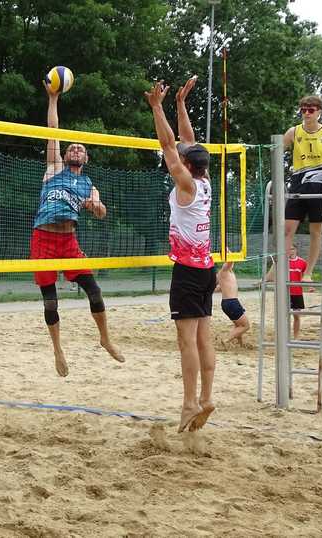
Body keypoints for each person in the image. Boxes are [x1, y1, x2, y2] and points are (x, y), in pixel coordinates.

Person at [30, 81, 124, 377]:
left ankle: (105, 338)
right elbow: (53, 132)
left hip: (68, 241)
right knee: (50, 300)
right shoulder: (54, 169)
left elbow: (101, 210)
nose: (75, 149)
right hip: (43, 238)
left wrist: (96, 207)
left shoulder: (87, 184)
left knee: (94, 291)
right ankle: (58, 350)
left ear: (86, 159)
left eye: (80, 149)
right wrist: (53, 99)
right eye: (72, 147)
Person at [145, 76, 216, 433]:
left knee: (186, 340)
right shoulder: (204, 180)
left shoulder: (186, 183)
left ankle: (190, 404)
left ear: (188, 166)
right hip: (206, 270)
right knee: (204, 337)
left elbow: (170, 142)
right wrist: (180, 105)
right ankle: (205, 397)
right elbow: (186, 142)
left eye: (182, 159)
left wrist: (157, 107)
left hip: (188, 272)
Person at [284, 95, 322, 283]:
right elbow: (276, 150)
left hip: (319, 183)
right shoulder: (293, 131)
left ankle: (308, 272)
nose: (307, 113)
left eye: (311, 110)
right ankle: (282, 269)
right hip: (298, 182)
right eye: (303, 109)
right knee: (286, 229)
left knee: (315, 231)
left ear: (319, 111)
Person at [265, 245, 307, 340]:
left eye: (292, 249)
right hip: (284, 293)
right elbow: (271, 274)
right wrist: (265, 280)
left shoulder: (302, 262)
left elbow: (306, 276)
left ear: (296, 250)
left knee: (296, 316)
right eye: (288, 249)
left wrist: (310, 286)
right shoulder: (282, 262)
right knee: (282, 316)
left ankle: (296, 337)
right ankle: (282, 337)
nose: (290, 251)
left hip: (297, 293)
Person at [215, 259, 250, 346]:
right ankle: (226, 340)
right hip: (231, 303)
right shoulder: (224, 270)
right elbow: (230, 260)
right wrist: (229, 252)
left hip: (228, 303)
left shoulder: (226, 273)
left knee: (239, 326)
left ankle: (241, 343)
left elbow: (218, 288)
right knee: (245, 326)